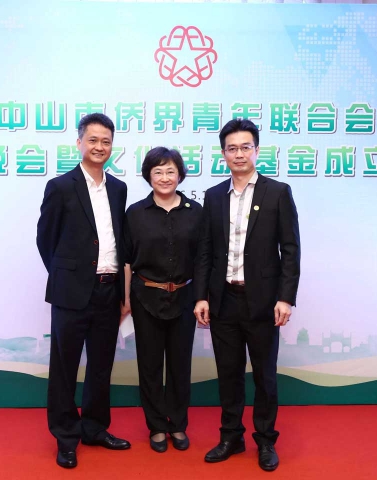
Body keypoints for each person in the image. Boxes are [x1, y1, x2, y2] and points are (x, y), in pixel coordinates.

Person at [194, 119, 301, 472]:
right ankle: (231, 437)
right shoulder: (213, 196)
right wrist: (201, 296)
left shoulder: (277, 192)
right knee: (228, 374)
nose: (238, 154)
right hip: (223, 299)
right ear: (222, 153)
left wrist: (285, 297)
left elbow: (290, 249)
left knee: (265, 376)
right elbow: (205, 251)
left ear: (256, 150)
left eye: (245, 147)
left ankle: (266, 440)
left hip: (264, 302)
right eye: (232, 148)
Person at [36, 113, 130, 469]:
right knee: (64, 368)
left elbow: (119, 239)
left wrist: (121, 292)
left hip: (108, 291)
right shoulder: (60, 187)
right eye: (93, 140)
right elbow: (46, 239)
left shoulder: (118, 188)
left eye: (106, 141)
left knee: (101, 366)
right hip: (71, 293)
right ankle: (66, 436)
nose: (99, 146)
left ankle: (94, 428)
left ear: (112, 146)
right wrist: (67, 276)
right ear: (79, 143)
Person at [122, 147, 203, 453]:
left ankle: (178, 424)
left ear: (180, 175)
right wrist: (125, 299)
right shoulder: (135, 213)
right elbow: (126, 260)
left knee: (181, 366)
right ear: (148, 176)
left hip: (184, 297)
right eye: (158, 171)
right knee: (150, 365)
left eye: (171, 171)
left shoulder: (196, 212)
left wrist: (202, 298)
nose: (165, 177)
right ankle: (156, 426)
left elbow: (203, 260)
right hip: (145, 298)